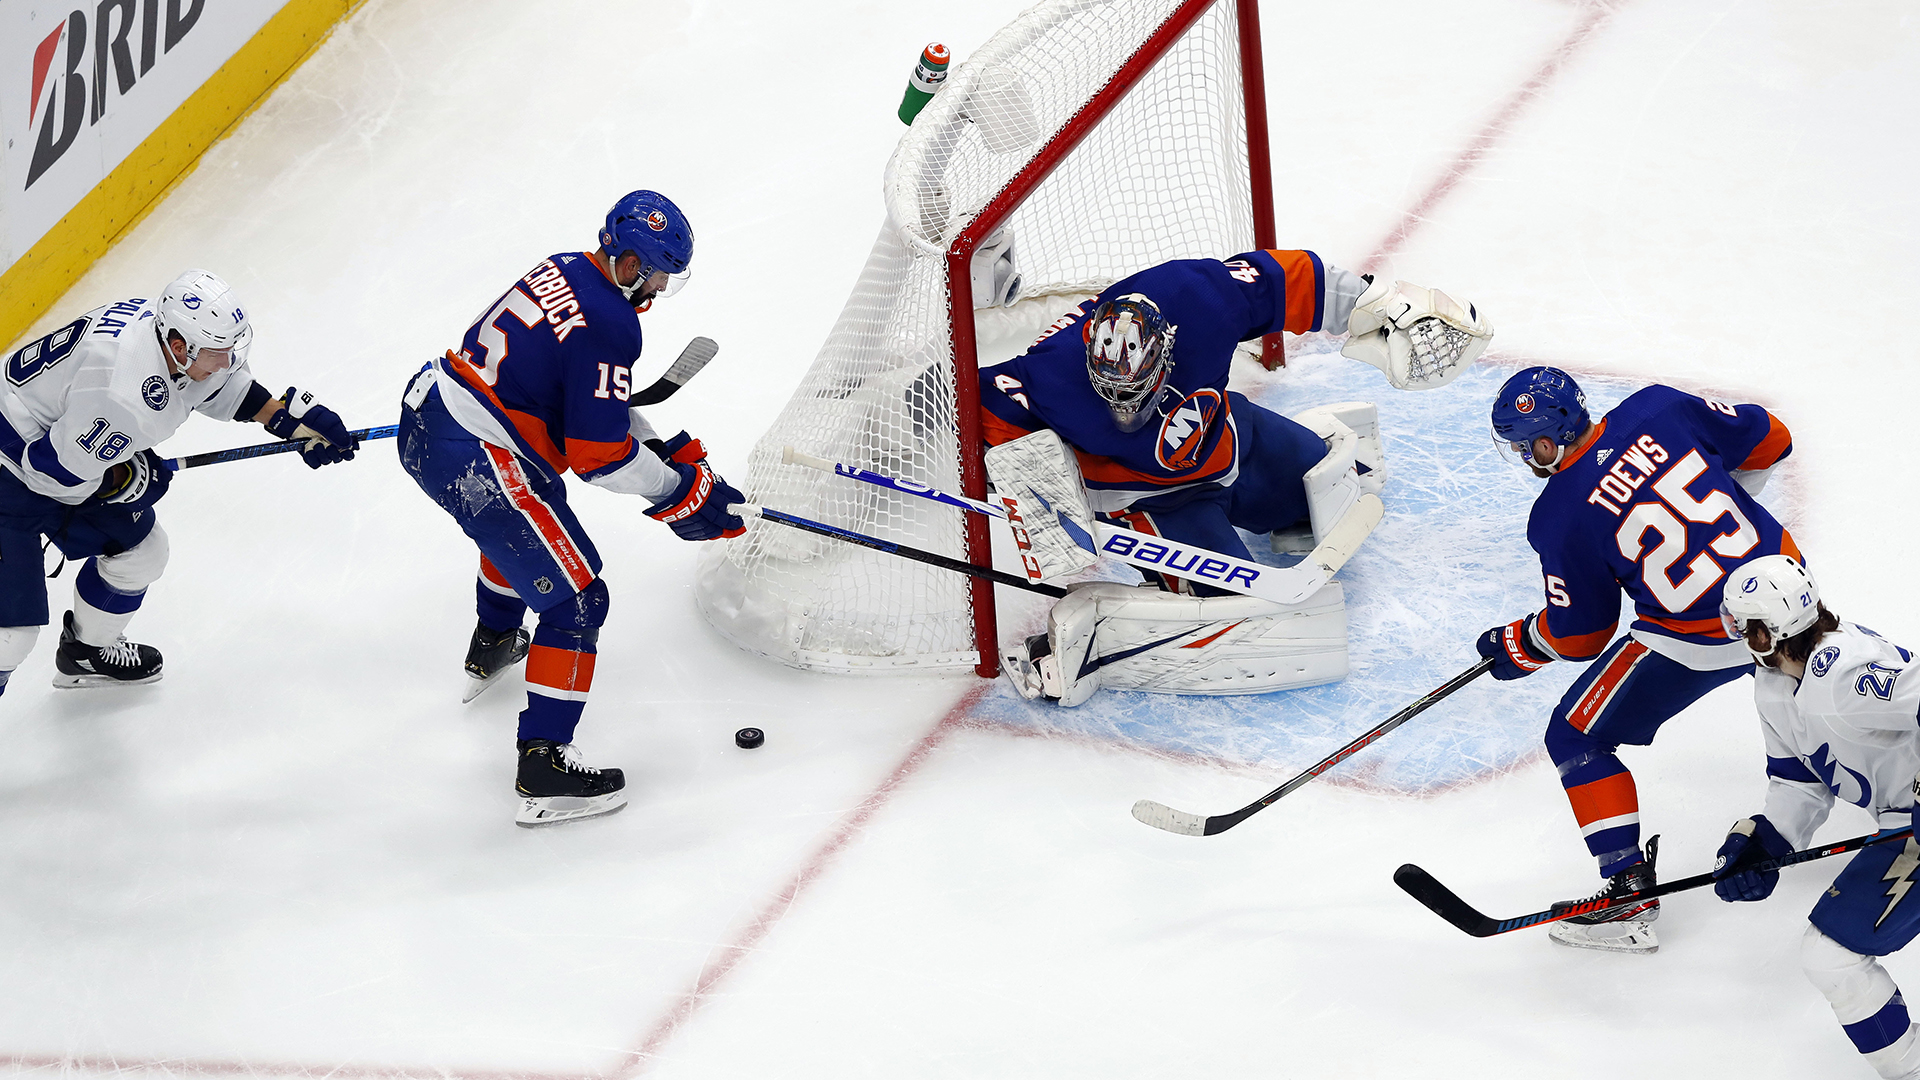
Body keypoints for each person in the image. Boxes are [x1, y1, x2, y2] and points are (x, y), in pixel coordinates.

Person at [982, 248, 1491, 705]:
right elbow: (961, 406)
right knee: (1235, 616)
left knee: (1329, 483)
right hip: (1154, 503)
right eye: (1109, 394)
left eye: (1135, 393)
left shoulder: (1197, 300)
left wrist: (1379, 302)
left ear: (1168, 349)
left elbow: (1285, 279)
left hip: (1230, 443)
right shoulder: (1045, 376)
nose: (1124, 412)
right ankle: (1086, 644)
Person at [398, 190, 745, 828]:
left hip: (430, 419)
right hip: (480, 455)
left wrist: (661, 446)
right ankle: (544, 766)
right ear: (631, 259)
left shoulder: (565, 265)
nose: (661, 287)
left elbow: (582, 397)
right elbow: (599, 457)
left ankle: (497, 640)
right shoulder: (615, 321)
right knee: (578, 598)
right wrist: (676, 490)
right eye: (659, 272)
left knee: (521, 529)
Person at [1474, 366, 1798, 952]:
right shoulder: (1658, 407)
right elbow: (1774, 438)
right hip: (1787, 595)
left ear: (1558, 433)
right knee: (1854, 680)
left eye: (1532, 443)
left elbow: (1582, 636)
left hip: (1700, 639)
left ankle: (1626, 893)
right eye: (1518, 444)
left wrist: (1520, 644)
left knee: (1575, 736)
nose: (1526, 456)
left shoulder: (1557, 516)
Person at [0, 270, 357, 695]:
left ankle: (85, 653)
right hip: (17, 470)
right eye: (216, 352)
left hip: (58, 447)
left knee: (143, 554)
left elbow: (213, 383)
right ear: (178, 346)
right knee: (10, 637)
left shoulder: (165, 336)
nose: (226, 362)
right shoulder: (123, 395)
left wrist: (281, 418)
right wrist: (124, 480)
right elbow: (53, 476)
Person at [1712, 556, 1920, 1079]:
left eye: (1741, 623)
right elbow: (1799, 778)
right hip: (1904, 825)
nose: (1735, 632)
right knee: (1829, 956)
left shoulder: (1842, 673)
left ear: (1768, 631)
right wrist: (1768, 839)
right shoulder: (1775, 685)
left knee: (1832, 957)